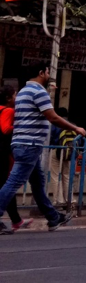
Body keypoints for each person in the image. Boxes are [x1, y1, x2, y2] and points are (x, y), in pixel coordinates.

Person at [0, 63, 86, 234]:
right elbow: (52, 117)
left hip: (24, 144)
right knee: (13, 183)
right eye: (47, 72)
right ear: (41, 73)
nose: (49, 75)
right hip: (29, 145)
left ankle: (53, 217)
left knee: (38, 183)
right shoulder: (39, 92)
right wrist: (75, 128)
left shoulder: (23, 92)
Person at [0, 86, 31, 232]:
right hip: (3, 153)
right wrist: (19, 126)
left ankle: (16, 220)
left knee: (6, 185)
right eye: (15, 95)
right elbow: (5, 128)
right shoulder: (8, 111)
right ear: (8, 98)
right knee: (6, 185)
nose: (16, 98)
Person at [47, 107, 77, 205]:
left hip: (56, 151)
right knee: (67, 176)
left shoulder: (54, 124)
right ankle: (70, 200)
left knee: (55, 176)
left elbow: (49, 138)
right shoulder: (72, 125)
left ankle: (58, 200)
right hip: (69, 152)